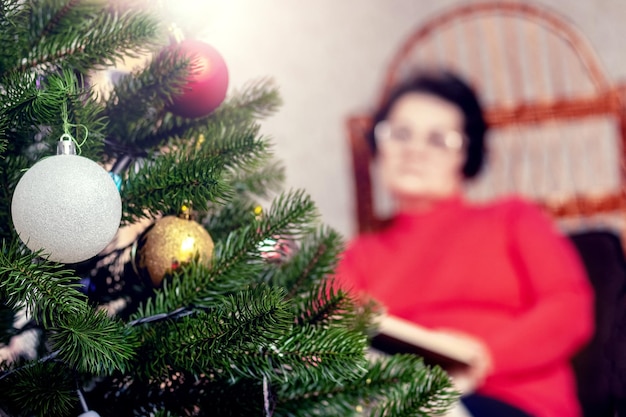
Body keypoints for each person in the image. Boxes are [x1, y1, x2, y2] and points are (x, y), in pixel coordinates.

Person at [336, 70, 594, 417]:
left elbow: (570, 308)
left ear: (466, 156)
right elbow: (328, 339)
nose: (414, 150)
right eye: (400, 133)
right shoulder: (358, 255)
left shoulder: (513, 218)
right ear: (378, 146)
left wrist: (485, 356)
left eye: (438, 139)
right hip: (394, 399)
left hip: (512, 401)